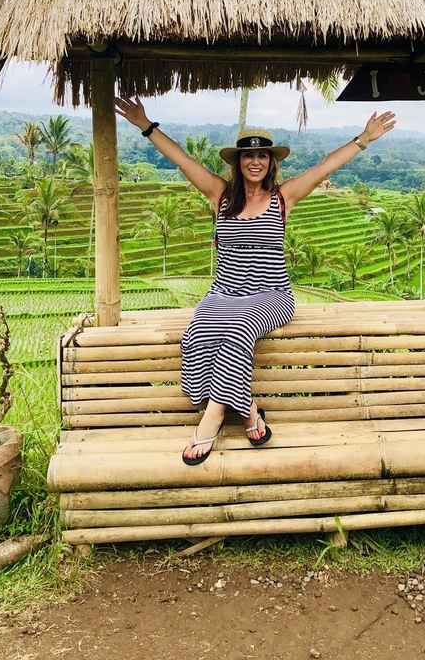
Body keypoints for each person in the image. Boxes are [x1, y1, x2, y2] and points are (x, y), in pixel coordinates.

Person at [115, 96, 396, 464]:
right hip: (223, 293)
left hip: (271, 295)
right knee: (196, 334)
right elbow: (182, 159)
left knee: (238, 331)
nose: (255, 162)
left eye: (262, 156)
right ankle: (247, 410)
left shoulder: (283, 197)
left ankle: (211, 420)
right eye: (248, 156)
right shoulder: (221, 195)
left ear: (271, 162)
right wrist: (147, 126)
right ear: (238, 161)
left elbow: (325, 166)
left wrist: (364, 139)